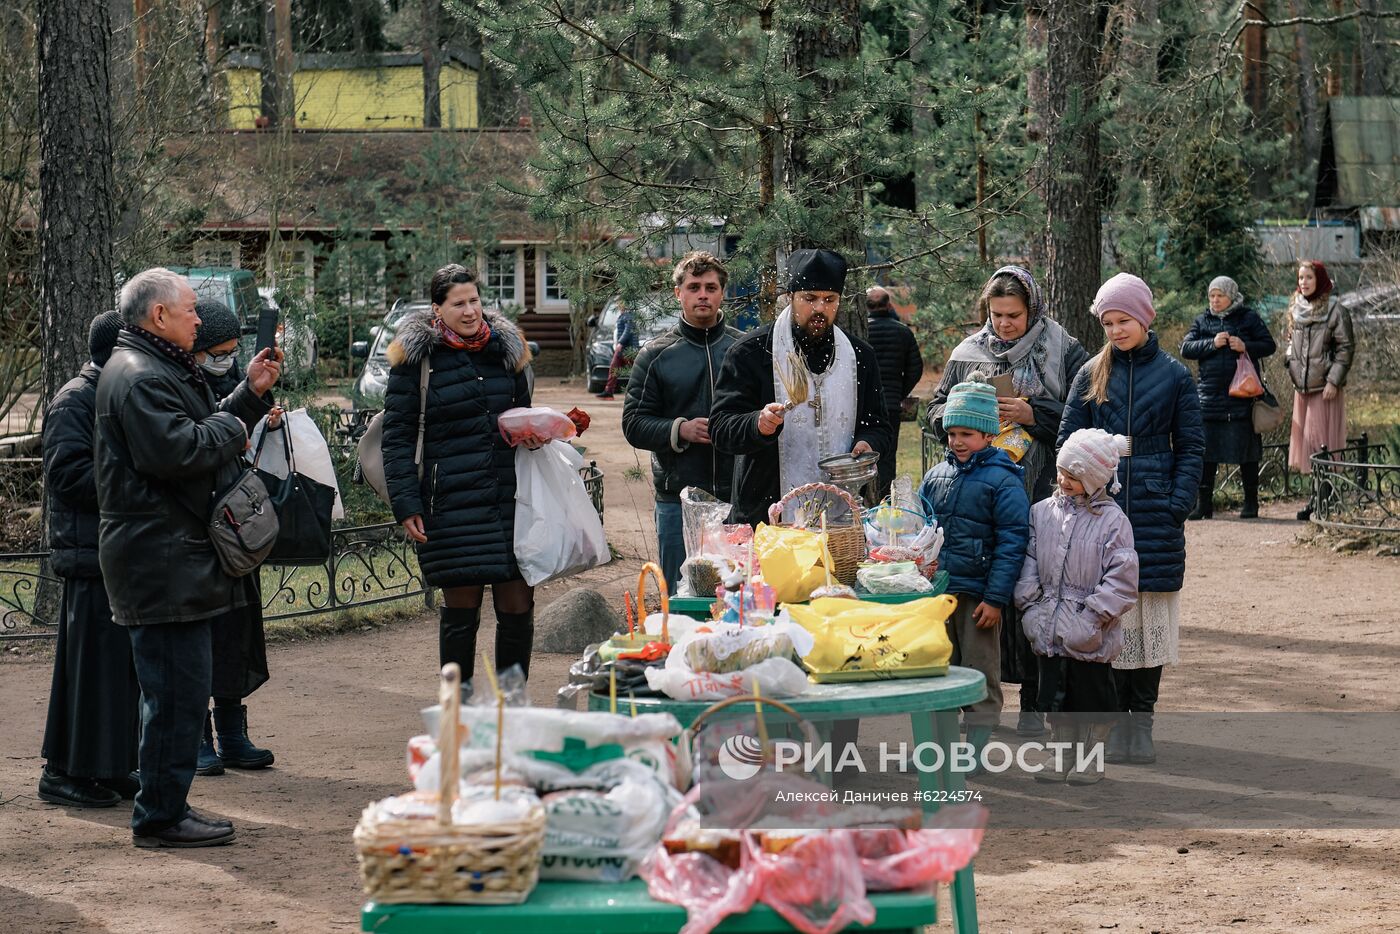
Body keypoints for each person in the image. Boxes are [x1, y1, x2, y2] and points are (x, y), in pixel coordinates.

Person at [96, 267, 281, 848]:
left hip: (173, 559)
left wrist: (247, 395)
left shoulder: (155, 368)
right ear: (158, 317)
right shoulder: (138, 376)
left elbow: (199, 430)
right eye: (190, 310)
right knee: (175, 696)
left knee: (178, 691)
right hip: (161, 562)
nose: (199, 319)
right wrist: (235, 419)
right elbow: (180, 451)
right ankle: (160, 817)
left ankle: (165, 808)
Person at [928, 266, 1091, 737]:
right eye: (996, 315)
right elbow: (936, 410)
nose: (1004, 324)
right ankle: (973, 705)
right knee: (982, 601)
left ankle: (1034, 706)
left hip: (1044, 491)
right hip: (976, 495)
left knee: (1036, 595)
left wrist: (1033, 413)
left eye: (1014, 315)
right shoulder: (968, 353)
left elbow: (1084, 413)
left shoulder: (1062, 348)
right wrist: (967, 417)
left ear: (1033, 309)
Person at [1058, 272, 1204, 766]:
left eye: (1124, 320)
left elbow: (1191, 446)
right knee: (1110, 618)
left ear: (1144, 318)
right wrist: (1080, 493)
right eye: (1108, 322)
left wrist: (1177, 500)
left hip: (1155, 508)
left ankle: (1142, 725)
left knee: (1149, 617)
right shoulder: (1089, 373)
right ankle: (1115, 723)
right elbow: (1067, 442)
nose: (1116, 330)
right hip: (1101, 510)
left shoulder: (1175, 375)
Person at [382, 263, 536, 689]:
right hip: (449, 502)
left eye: (474, 301)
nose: (470, 312)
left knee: (517, 601)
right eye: (458, 304)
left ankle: (512, 704)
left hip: (509, 496)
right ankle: (458, 705)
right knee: (461, 605)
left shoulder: (507, 351)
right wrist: (406, 503)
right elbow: (396, 437)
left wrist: (537, 434)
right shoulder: (417, 360)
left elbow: (521, 418)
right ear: (437, 309)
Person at [38, 311, 140, 808]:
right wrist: (131, 481)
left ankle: (109, 766)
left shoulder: (109, 395)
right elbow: (67, 476)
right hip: (87, 554)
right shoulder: (75, 400)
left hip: (112, 551)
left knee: (117, 671)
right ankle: (62, 773)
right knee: (86, 673)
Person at [710, 248, 893, 526]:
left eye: (829, 300)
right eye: (809, 298)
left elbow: (878, 425)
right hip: (768, 513)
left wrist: (868, 443)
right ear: (790, 298)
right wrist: (757, 424)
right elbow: (721, 427)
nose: (820, 308)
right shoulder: (752, 353)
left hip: (840, 515)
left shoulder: (859, 357)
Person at [917, 373, 1030, 765]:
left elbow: (1013, 541)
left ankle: (977, 751)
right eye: (952, 433)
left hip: (979, 596)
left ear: (988, 434)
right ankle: (935, 750)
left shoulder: (1004, 480)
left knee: (979, 671)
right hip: (939, 595)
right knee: (936, 668)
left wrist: (996, 598)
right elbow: (921, 530)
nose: (957, 442)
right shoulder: (935, 477)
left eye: (967, 433)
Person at [1015, 429, 1138, 785]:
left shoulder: (1114, 522)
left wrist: (1093, 618)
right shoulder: (1042, 513)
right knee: (1055, 697)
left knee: (1091, 697)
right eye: (1061, 472)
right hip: (1048, 624)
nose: (1064, 481)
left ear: (1095, 478)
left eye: (1074, 475)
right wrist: (1030, 608)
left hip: (1090, 631)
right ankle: (1062, 752)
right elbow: (1029, 562)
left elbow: (1122, 577)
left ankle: (1092, 756)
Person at [189, 299, 278, 775]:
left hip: (236, 522)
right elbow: (205, 432)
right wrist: (245, 398)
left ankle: (232, 732)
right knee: (199, 635)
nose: (223, 361)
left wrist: (263, 410)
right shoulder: (177, 381)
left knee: (235, 632)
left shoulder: (230, 382)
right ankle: (198, 735)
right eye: (216, 353)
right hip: (199, 526)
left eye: (230, 352)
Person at [622, 251, 741, 591]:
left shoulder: (742, 349)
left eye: (710, 287)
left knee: (733, 597)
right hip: (677, 501)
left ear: (722, 293)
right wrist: (680, 429)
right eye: (693, 287)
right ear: (678, 293)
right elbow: (633, 423)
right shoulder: (655, 354)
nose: (702, 294)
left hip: (736, 499)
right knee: (680, 598)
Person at [1180, 276, 1277, 520]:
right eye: (1212, 295)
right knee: (1206, 453)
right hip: (1209, 398)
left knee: (1247, 452)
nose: (1215, 300)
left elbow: (1269, 345)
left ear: (1231, 296)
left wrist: (1246, 346)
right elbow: (1186, 348)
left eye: (1220, 296)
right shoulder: (1203, 320)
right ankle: (1204, 505)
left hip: (1242, 396)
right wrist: (1211, 343)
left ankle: (1251, 503)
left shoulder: (1248, 318)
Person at [1285, 260, 1355, 521]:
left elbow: (1346, 348)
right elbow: (1291, 343)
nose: (1303, 282)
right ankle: (1316, 499)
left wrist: (1334, 381)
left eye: (1309, 278)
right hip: (1301, 389)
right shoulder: (1296, 308)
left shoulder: (1335, 310)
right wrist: (1289, 361)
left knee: (1320, 445)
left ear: (1320, 280)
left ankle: (1325, 499)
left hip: (1324, 389)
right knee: (1308, 446)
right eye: (1300, 278)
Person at [865, 285, 924, 500]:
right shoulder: (903, 331)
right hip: (890, 405)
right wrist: (899, 392)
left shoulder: (860, 332)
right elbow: (916, 368)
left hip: (863, 406)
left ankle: (862, 502)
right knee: (887, 457)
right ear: (889, 304)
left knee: (860, 454)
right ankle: (884, 501)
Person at [598, 303, 637, 400]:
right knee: (613, 368)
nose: (619, 306)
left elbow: (628, 330)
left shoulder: (629, 315)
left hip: (629, 349)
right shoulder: (623, 315)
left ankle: (638, 393)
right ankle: (608, 391)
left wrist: (620, 343)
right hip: (622, 350)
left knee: (635, 372)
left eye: (621, 304)